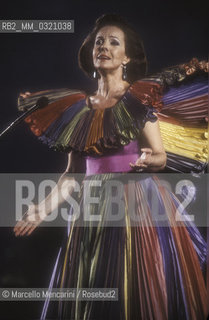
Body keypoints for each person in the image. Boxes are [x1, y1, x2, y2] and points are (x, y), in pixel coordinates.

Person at [13, 14, 207, 320]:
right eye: (99, 41)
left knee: (134, 288)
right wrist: (42, 208)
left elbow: (160, 155)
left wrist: (150, 161)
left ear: (126, 56)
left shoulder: (137, 99)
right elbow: (73, 174)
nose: (104, 46)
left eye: (113, 42)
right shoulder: (78, 109)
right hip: (90, 211)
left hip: (136, 205)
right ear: (91, 53)